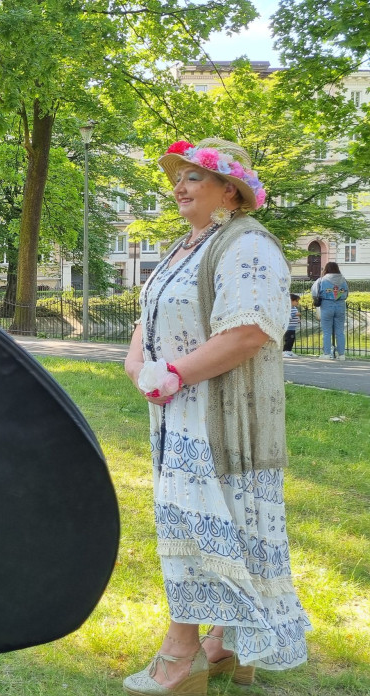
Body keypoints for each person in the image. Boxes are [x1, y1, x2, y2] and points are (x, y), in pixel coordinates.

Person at [123, 138, 310, 696]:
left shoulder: (248, 245)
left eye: (194, 178)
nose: (179, 186)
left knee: (204, 530)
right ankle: (226, 646)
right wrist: (139, 367)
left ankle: (181, 657)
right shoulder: (185, 247)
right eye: (178, 177)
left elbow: (250, 332)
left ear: (229, 190)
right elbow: (148, 316)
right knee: (195, 526)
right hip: (178, 415)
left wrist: (175, 373)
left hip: (220, 420)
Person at [312, 261, 349, 360]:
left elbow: (315, 293)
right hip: (340, 305)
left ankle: (327, 354)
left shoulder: (322, 280)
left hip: (327, 305)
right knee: (340, 331)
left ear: (326, 269)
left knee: (327, 331)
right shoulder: (343, 280)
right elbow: (347, 294)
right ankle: (341, 355)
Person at [283, 293, 300, 358]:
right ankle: (285, 351)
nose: (297, 303)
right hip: (289, 328)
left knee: (292, 339)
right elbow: (288, 317)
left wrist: (298, 319)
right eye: (296, 301)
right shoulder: (288, 309)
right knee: (289, 340)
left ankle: (289, 351)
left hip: (293, 328)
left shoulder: (294, 308)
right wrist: (295, 315)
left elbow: (296, 315)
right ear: (291, 301)